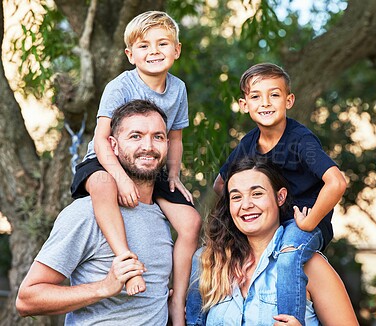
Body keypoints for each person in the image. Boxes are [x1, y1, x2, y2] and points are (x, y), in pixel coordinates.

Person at [70, 11, 201, 325]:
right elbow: (102, 140)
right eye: (143, 46)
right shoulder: (120, 86)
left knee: (190, 221)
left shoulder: (178, 89)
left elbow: (175, 137)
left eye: (162, 44)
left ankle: (177, 302)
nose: (153, 51)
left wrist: (172, 176)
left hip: (148, 167)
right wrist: (118, 178)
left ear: (177, 50)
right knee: (102, 186)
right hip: (106, 161)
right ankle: (125, 262)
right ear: (130, 54)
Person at [16, 100, 174, 325]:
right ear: (113, 145)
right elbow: (27, 299)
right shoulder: (86, 213)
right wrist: (104, 287)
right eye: (135, 136)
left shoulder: (162, 215)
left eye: (157, 137)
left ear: (167, 144)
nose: (148, 146)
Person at [212, 63, 347, 325]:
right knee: (203, 257)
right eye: (255, 96)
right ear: (244, 104)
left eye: (274, 95)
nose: (265, 102)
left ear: (289, 100)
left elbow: (337, 183)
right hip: (275, 225)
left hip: (304, 222)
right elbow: (221, 185)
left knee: (288, 256)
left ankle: (289, 319)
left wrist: (309, 222)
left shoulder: (300, 140)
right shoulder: (249, 143)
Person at [191, 156, 358, 325]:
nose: (246, 204)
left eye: (257, 194)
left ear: (280, 197)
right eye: (236, 197)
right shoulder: (211, 264)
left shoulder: (309, 265)